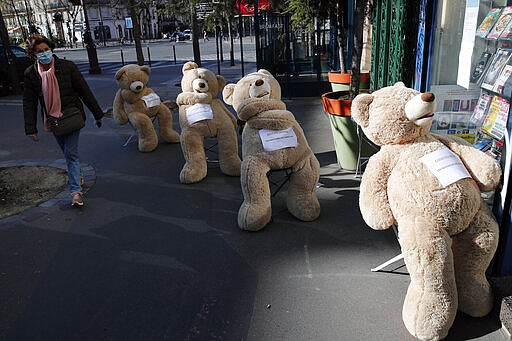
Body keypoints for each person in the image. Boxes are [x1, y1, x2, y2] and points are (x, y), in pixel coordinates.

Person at [23, 34, 104, 207]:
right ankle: (78, 175)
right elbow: (29, 102)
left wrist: (97, 114)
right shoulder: (31, 74)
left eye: (46, 49)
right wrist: (31, 128)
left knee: (70, 154)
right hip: (53, 120)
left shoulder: (67, 67)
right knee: (69, 154)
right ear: (33, 54)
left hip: (72, 115)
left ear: (51, 48)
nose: (44, 53)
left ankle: (75, 192)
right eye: (39, 51)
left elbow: (84, 91)